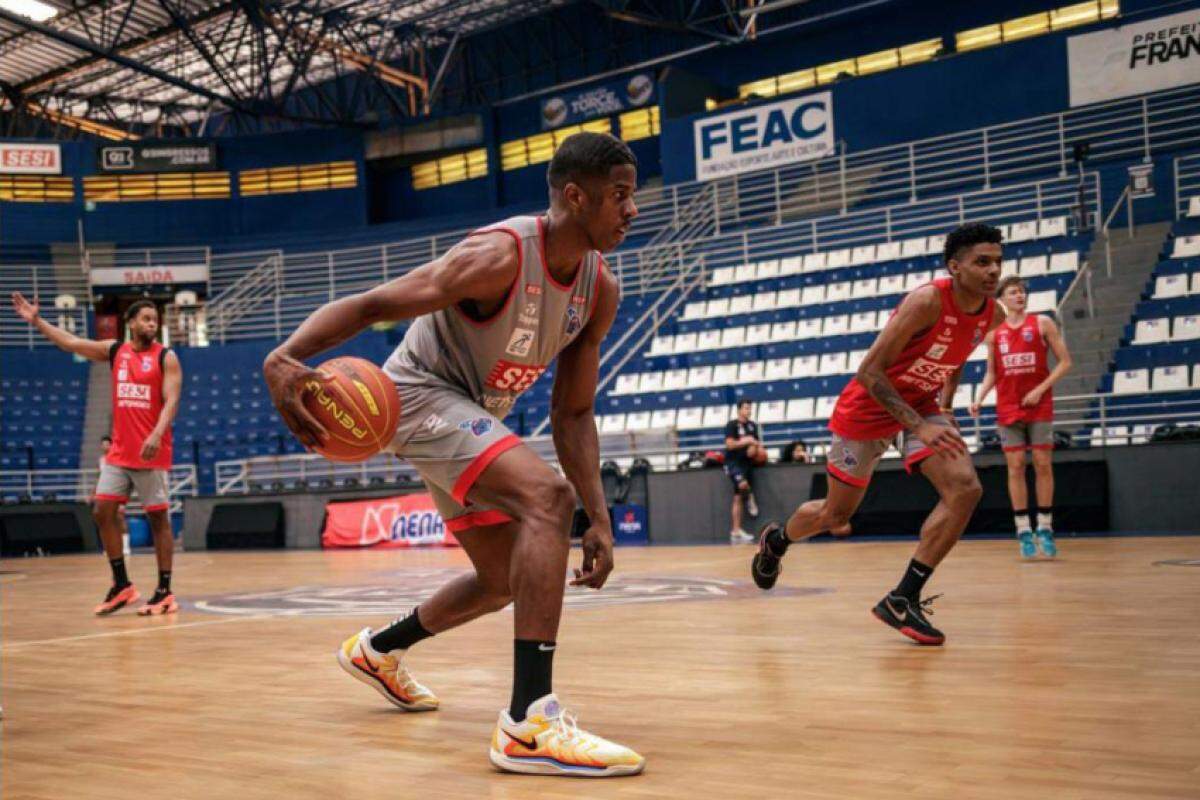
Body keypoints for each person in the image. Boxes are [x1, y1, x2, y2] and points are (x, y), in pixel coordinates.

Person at [263, 132, 644, 778]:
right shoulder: (498, 257)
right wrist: (283, 359)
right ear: (574, 197)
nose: (631, 210)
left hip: (470, 414)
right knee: (547, 499)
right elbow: (375, 303)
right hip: (416, 396)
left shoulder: (598, 290)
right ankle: (529, 722)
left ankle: (377, 650)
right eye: (620, 196)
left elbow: (573, 413)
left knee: (501, 579)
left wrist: (602, 518)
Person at [750, 222, 1006, 646]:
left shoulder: (991, 313)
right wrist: (919, 425)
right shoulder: (926, 301)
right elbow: (869, 372)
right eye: (982, 262)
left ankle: (903, 597)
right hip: (869, 408)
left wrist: (943, 406)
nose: (993, 270)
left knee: (965, 488)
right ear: (954, 267)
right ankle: (777, 541)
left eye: (997, 262)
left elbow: (958, 353)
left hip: (921, 405)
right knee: (836, 516)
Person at [10, 296, 182, 616]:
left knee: (158, 518)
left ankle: (164, 591)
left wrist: (157, 434)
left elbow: (172, 400)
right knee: (102, 511)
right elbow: (72, 343)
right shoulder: (116, 351)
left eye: (154, 319)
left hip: (150, 452)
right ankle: (122, 584)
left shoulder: (166, 357)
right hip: (119, 453)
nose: (151, 323)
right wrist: (37, 321)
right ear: (130, 323)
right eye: (145, 318)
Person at [970, 275, 1072, 559]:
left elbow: (1065, 362)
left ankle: (1046, 527)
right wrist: (979, 398)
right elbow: (992, 371)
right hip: (1007, 406)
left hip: (1038, 404)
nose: (1020, 296)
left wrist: (1040, 389)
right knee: (1015, 466)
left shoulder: (1042, 323)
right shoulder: (994, 333)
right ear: (1001, 298)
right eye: (1014, 292)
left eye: (1022, 292)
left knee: (1042, 464)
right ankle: (1023, 530)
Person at [725, 399, 763, 543]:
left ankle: (735, 531)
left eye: (750, 408)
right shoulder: (732, 425)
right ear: (739, 410)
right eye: (746, 408)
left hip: (746, 463)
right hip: (733, 463)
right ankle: (750, 497)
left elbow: (755, 446)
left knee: (737, 498)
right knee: (743, 485)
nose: (749, 411)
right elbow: (729, 445)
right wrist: (747, 441)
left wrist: (753, 449)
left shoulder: (753, 426)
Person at [97, 435, 130, 557]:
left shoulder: (118, 458)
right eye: (103, 444)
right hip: (105, 492)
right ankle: (110, 548)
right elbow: (99, 477)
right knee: (107, 520)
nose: (105, 446)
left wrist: (124, 494)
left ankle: (126, 547)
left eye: (107, 444)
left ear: (112, 445)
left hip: (118, 492)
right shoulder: (101, 460)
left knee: (120, 519)